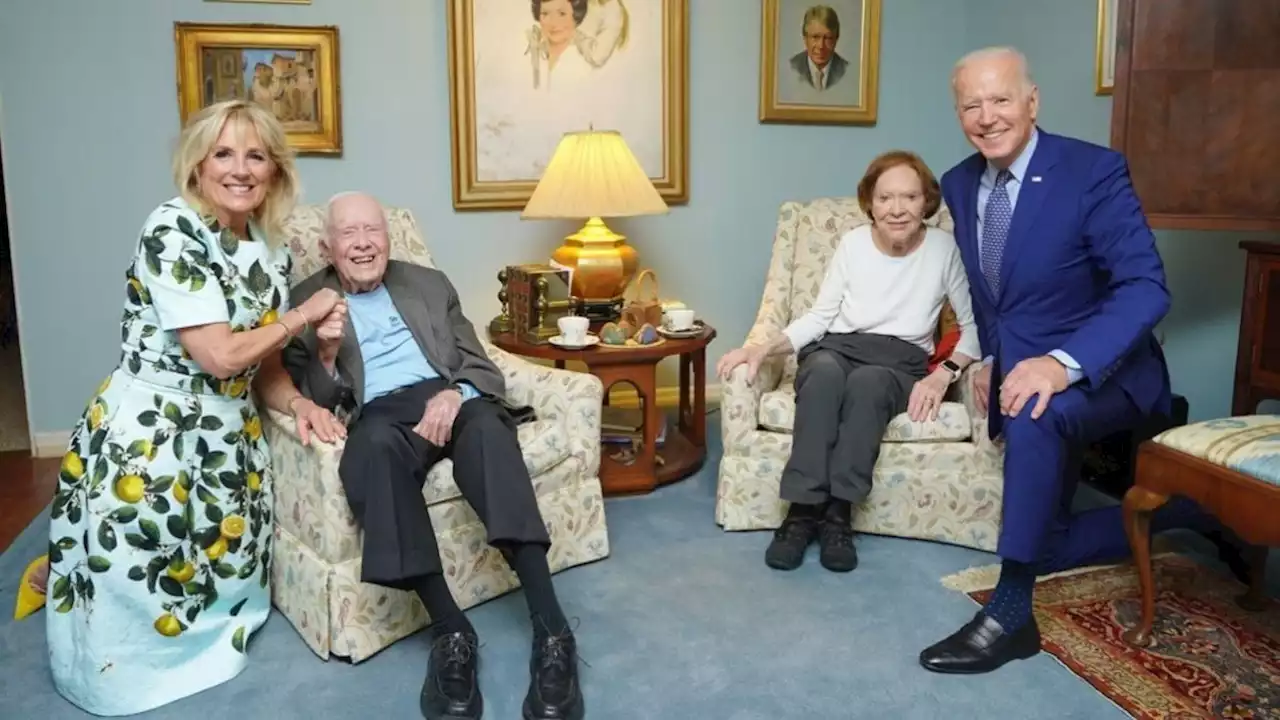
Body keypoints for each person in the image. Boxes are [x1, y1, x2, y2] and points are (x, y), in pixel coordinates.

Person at [917, 47, 1233, 675]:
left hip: (1106, 372)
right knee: (1046, 540)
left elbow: (1146, 286)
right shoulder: (957, 182)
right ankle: (1189, 513)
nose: (987, 116)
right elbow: (990, 298)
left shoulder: (1093, 172)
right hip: (1019, 372)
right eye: (970, 105)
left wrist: (1062, 364)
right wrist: (981, 361)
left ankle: (1010, 616)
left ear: (1032, 102)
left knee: (1036, 410)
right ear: (958, 114)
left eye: (1001, 99)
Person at [34, 98, 346, 715]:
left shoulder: (271, 247)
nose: (240, 169)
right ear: (197, 167)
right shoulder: (171, 228)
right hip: (156, 432)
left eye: (256, 155)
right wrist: (303, 315)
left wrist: (300, 404)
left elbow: (266, 368)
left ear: (275, 171)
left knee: (215, 570)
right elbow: (222, 355)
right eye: (223, 154)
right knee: (136, 569)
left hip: (229, 435)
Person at [281, 191, 584, 720]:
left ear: (387, 237)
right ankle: (451, 630)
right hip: (378, 414)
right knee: (371, 451)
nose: (362, 243)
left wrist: (455, 394)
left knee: (490, 430)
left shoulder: (427, 282)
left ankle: (553, 629)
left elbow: (479, 364)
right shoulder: (306, 302)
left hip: (447, 396)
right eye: (348, 234)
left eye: (371, 231)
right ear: (328, 247)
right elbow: (323, 402)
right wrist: (326, 354)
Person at [717, 150, 981, 574]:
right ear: (870, 204)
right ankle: (802, 513)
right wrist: (763, 348)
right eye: (886, 198)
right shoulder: (853, 243)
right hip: (838, 346)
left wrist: (943, 375)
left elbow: (973, 326)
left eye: (909, 198)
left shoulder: (943, 248)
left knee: (869, 385)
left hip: (899, 360)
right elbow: (821, 316)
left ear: (926, 202)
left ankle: (839, 515)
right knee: (820, 373)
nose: (897, 209)